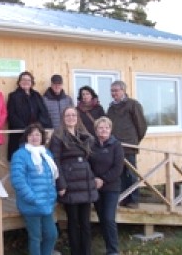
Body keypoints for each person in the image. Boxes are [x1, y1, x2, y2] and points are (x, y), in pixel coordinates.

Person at [49, 106, 98, 255]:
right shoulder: (58, 136)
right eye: (68, 115)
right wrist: (61, 183)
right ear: (63, 118)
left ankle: (86, 252)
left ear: (77, 118)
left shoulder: (84, 135)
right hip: (69, 182)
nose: (71, 118)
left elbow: (92, 159)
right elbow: (55, 161)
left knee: (85, 223)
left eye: (73, 115)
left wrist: (95, 177)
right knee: (73, 222)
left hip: (85, 181)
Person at [10, 123, 59, 255]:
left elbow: (51, 178)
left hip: (46, 203)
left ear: (42, 137)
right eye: (31, 135)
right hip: (31, 204)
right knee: (36, 237)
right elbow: (18, 180)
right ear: (26, 137)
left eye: (37, 134)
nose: (34, 137)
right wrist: (32, 198)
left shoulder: (46, 154)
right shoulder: (20, 154)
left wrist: (52, 196)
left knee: (51, 234)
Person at [107, 80, 147, 209]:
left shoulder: (133, 105)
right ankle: (123, 198)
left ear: (123, 91)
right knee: (120, 173)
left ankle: (134, 200)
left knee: (131, 173)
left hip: (129, 146)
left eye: (116, 91)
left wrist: (134, 141)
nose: (114, 93)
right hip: (115, 146)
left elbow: (141, 125)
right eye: (112, 91)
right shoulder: (111, 107)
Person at [89, 116, 124, 255]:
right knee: (102, 219)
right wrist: (94, 179)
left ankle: (113, 250)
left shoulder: (116, 145)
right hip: (96, 188)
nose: (103, 130)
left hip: (111, 188)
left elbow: (118, 168)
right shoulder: (91, 145)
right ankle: (107, 246)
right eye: (100, 128)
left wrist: (103, 179)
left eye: (106, 127)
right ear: (96, 130)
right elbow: (87, 164)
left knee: (109, 218)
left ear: (110, 129)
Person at [7, 71, 52, 160]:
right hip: (19, 134)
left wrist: (36, 128)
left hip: (35, 134)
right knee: (20, 159)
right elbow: (11, 115)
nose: (26, 82)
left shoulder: (37, 96)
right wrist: (26, 129)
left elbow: (44, 113)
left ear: (32, 83)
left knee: (36, 160)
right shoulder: (13, 96)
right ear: (19, 82)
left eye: (28, 80)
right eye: (23, 79)